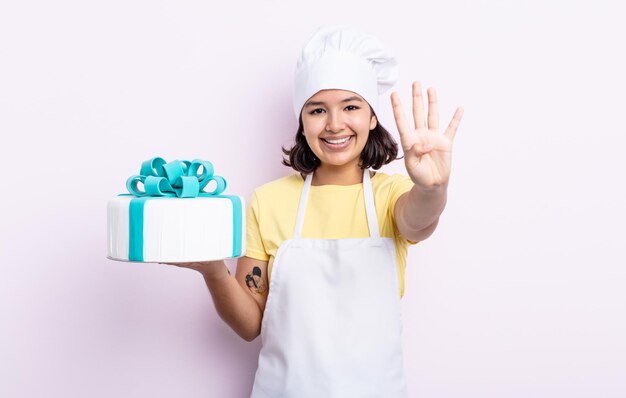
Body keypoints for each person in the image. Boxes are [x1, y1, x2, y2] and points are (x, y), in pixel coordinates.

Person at [166, 24, 463, 397]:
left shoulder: (392, 194)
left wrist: (432, 187)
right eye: (318, 110)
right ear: (302, 122)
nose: (335, 124)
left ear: (372, 118)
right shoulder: (269, 201)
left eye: (351, 107)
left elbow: (419, 220)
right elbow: (248, 325)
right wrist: (213, 272)